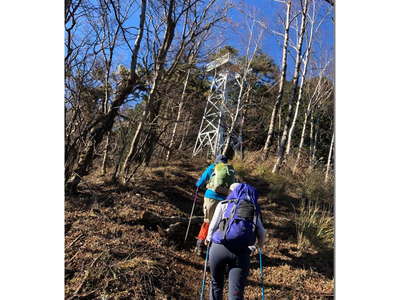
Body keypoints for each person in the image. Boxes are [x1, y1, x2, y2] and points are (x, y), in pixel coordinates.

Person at [205, 183, 266, 300]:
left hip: (219, 248)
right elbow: (262, 232)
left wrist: (208, 239)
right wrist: (259, 246)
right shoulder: (253, 208)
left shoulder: (223, 204)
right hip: (241, 253)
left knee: (216, 284)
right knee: (236, 292)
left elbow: (212, 227)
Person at [194, 154, 235, 256]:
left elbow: (201, 182)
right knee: (219, 224)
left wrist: (198, 185)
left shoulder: (212, 167)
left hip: (211, 197)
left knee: (207, 222)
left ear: (216, 161)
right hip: (224, 200)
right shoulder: (230, 171)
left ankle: (200, 246)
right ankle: (213, 248)